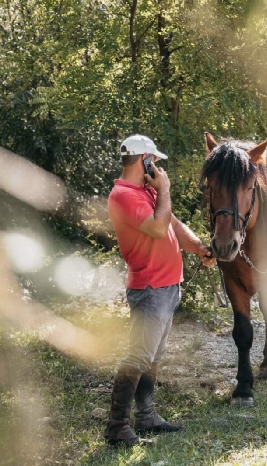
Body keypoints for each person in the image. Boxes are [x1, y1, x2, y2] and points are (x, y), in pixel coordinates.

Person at [104, 134, 215, 447]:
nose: (157, 167)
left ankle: (146, 416)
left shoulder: (146, 191)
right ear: (145, 160)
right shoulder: (123, 195)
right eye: (154, 160)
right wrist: (164, 189)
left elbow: (173, 225)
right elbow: (157, 227)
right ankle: (117, 426)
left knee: (152, 356)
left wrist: (199, 247)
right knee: (139, 355)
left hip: (166, 287)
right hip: (149, 288)